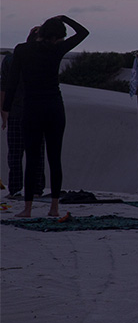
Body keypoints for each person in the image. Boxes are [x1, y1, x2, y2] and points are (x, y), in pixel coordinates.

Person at [2, 15, 89, 217]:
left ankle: (28, 208)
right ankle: (54, 207)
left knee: (31, 159)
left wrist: (6, 108)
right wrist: (65, 18)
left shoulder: (22, 50)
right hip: (54, 108)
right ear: (57, 37)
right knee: (54, 158)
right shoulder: (57, 49)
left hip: (31, 108)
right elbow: (84, 33)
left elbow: (12, 82)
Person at [1, 28, 46, 199]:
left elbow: (3, 88)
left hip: (18, 111)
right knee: (36, 152)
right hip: (34, 111)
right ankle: (35, 188)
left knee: (16, 152)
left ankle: (16, 189)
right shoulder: (42, 58)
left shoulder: (10, 59)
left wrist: (4, 112)